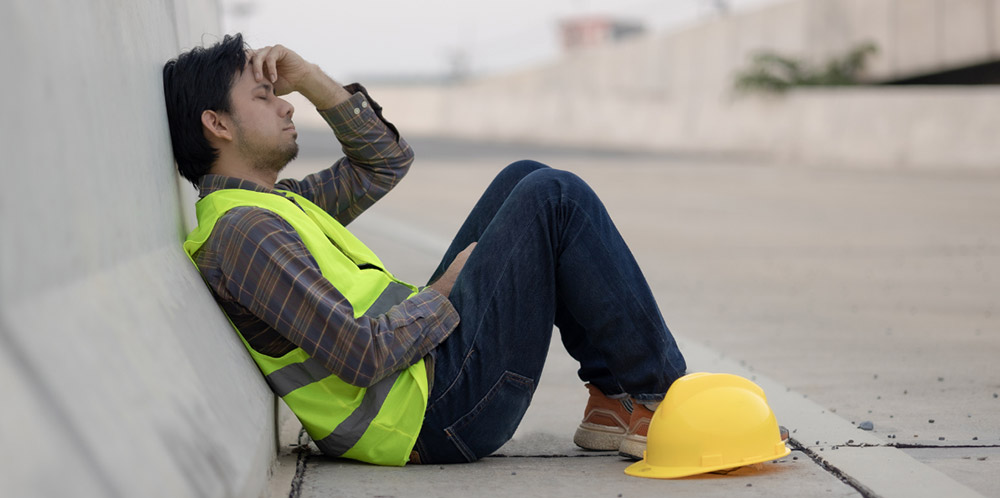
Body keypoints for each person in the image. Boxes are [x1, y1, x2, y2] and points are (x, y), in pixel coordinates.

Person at [163, 33, 687, 466]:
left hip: (427, 379)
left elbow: (383, 162)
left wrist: (312, 79)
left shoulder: (278, 206)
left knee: (523, 178)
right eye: (263, 97)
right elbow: (360, 355)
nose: (284, 104)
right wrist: (443, 291)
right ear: (218, 124)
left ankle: (614, 401)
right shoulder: (244, 235)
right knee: (555, 196)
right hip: (430, 415)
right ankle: (667, 404)